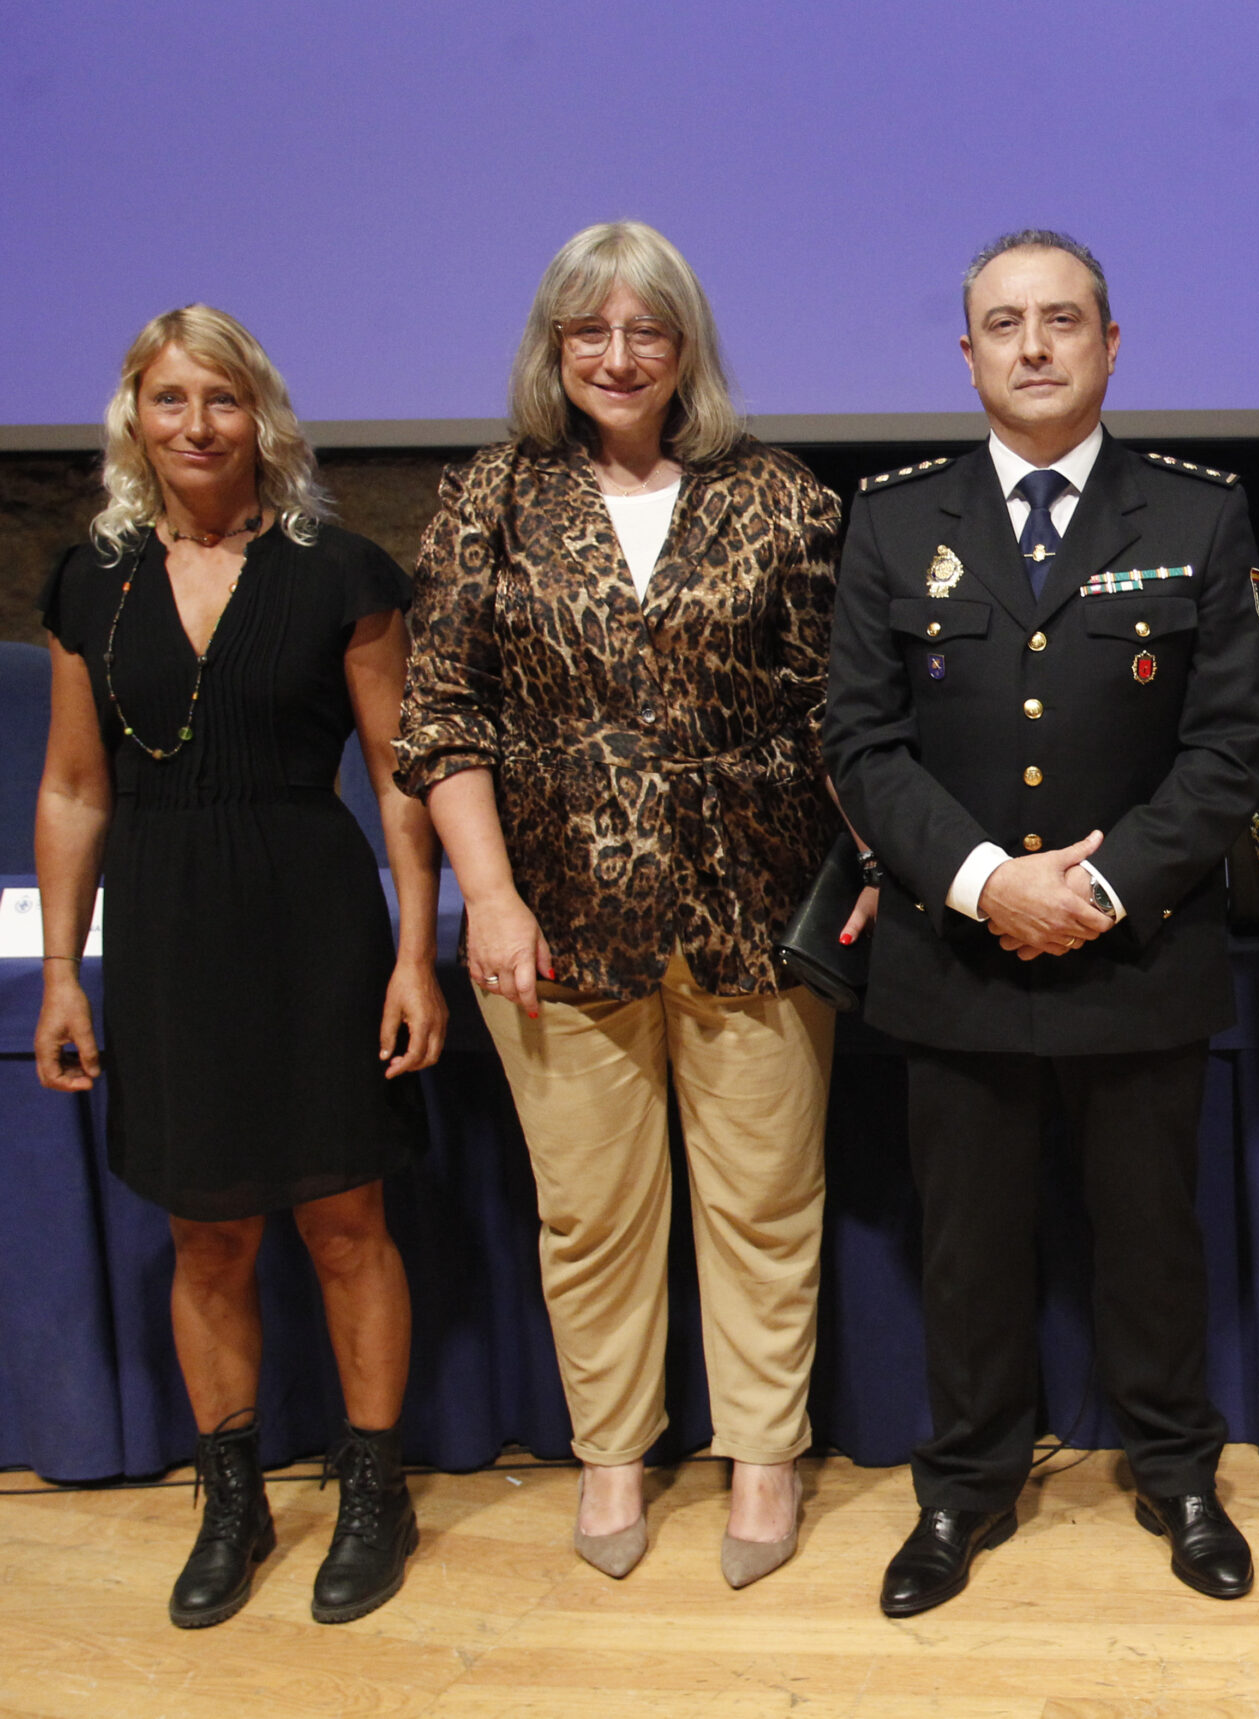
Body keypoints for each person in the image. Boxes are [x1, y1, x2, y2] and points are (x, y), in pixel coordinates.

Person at [395, 221, 856, 1590]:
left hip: (755, 910)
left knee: (765, 1203)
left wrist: (875, 869)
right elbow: (442, 718)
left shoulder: (780, 496)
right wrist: (488, 896)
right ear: (553, 348)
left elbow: (837, 712)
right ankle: (611, 1453)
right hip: (553, 916)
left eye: (645, 329)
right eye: (588, 330)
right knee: (590, 1211)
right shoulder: (487, 497)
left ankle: (762, 1455)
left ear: (685, 346)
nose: (617, 355)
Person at [826, 229, 1259, 1616]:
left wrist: (1097, 888)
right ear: (965, 353)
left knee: (1153, 1241)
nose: (1034, 346)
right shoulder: (893, 520)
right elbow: (861, 742)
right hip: (955, 956)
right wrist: (986, 883)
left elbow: (1235, 746)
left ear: (1111, 345)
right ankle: (964, 1487)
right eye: (1004, 324)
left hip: (1136, 952)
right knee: (967, 1249)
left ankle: (1177, 1472)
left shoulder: (1198, 515)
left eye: (1063, 320)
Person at [33, 305, 446, 1628]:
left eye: (221, 399)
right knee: (205, 1234)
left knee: (345, 1222)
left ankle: (374, 1493)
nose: (197, 425)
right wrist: (61, 973)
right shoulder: (89, 581)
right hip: (165, 933)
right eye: (171, 399)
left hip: (316, 925)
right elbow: (74, 789)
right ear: (133, 418)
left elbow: (400, 776)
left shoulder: (341, 571)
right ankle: (233, 1501)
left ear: (260, 415)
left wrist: (415, 954)